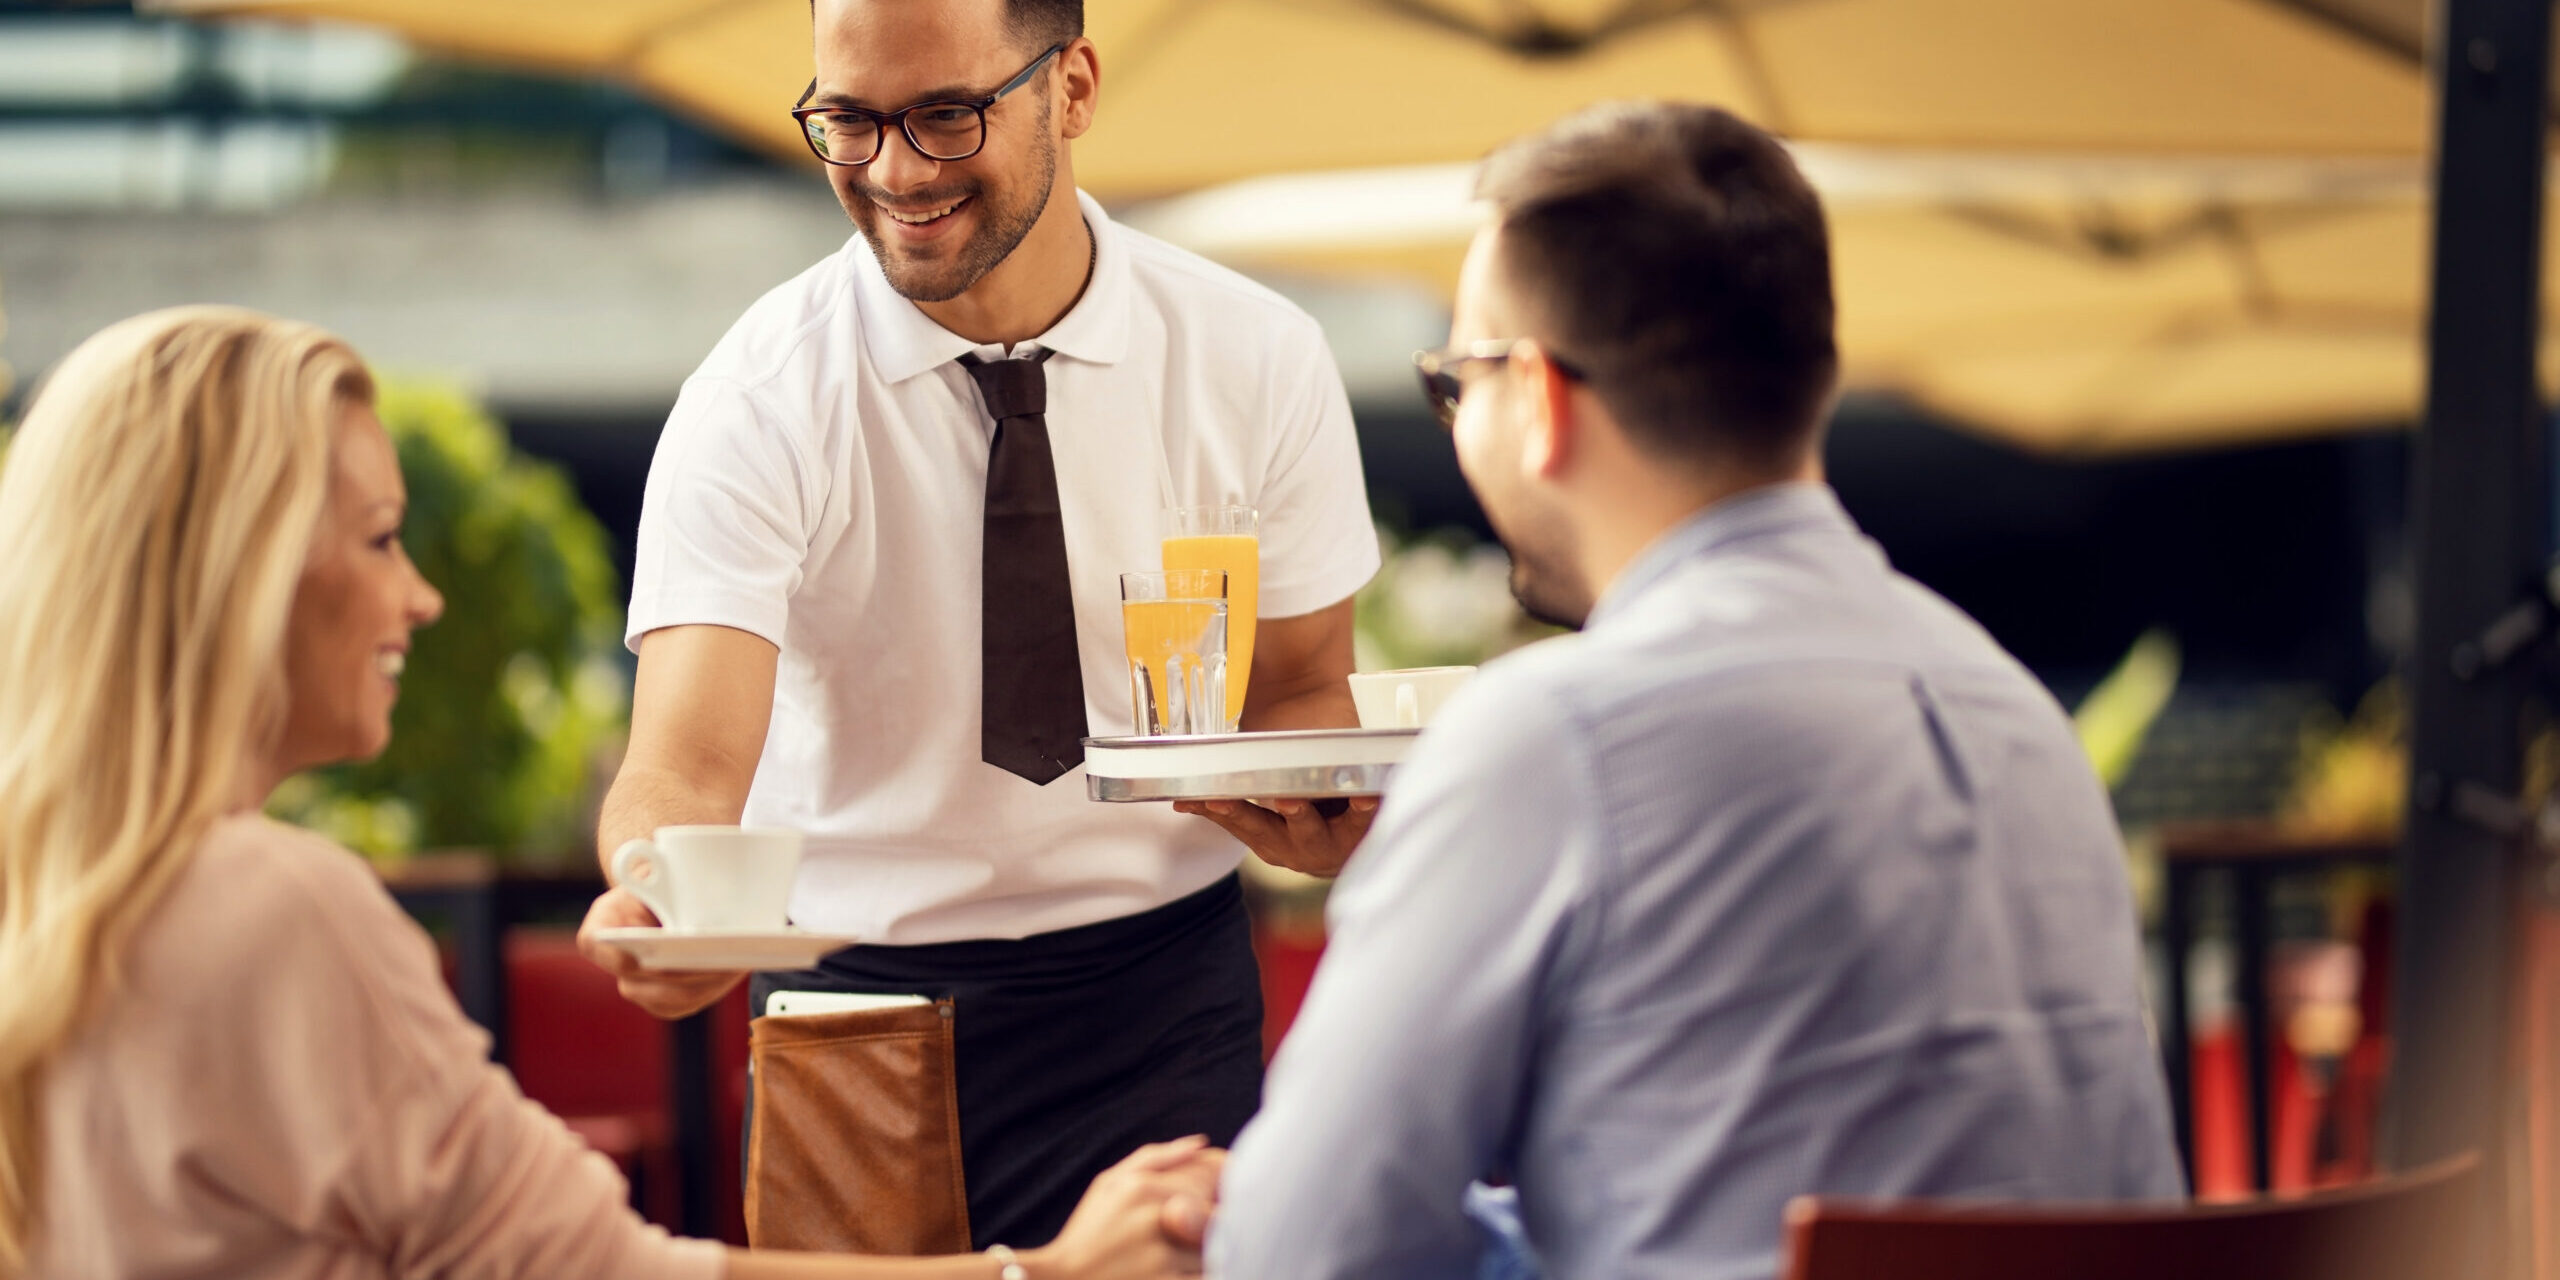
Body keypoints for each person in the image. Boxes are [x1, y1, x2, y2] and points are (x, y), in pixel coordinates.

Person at [0, 305, 1218, 1280]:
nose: (419, 596)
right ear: (241, 573)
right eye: (379, 538)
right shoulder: (277, 907)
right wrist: (1048, 1273)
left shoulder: (47, 897)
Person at [1211, 102, 2187, 1280]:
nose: (1455, 416)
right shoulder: (2016, 715)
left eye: (1454, 379)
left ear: (1540, 399)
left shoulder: (1553, 739)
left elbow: (1296, 1249)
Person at [575, 0, 1380, 1252]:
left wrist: (1330, 815)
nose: (895, 171)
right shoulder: (759, 397)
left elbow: (1297, 693)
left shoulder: (1257, 357)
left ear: (1071, 89)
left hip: (1160, 1002)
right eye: (847, 121)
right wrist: (652, 892)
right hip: (855, 1010)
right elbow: (680, 764)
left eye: (946, 115)